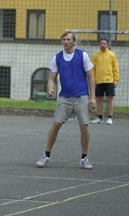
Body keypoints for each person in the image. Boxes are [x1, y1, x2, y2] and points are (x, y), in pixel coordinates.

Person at [36, 30, 96, 170]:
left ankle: (84, 158)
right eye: (63, 39)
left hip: (81, 96)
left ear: (73, 41)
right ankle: (46, 155)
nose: (66, 42)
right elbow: (51, 78)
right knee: (56, 124)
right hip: (65, 97)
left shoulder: (83, 56)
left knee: (84, 127)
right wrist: (50, 88)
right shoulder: (57, 58)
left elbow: (91, 77)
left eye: (68, 39)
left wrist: (92, 97)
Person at [90, 38, 120, 125]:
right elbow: (92, 69)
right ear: (99, 44)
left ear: (107, 44)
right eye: (101, 43)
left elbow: (116, 68)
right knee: (99, 99)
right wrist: (93, 80)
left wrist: (116, 80)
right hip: (98, 81)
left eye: (104, 43)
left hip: (109, 80)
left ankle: (110, 117)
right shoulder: (95, 55)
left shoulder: (112, 55)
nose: (103, 45)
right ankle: (99, 117)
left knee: (109, 99)